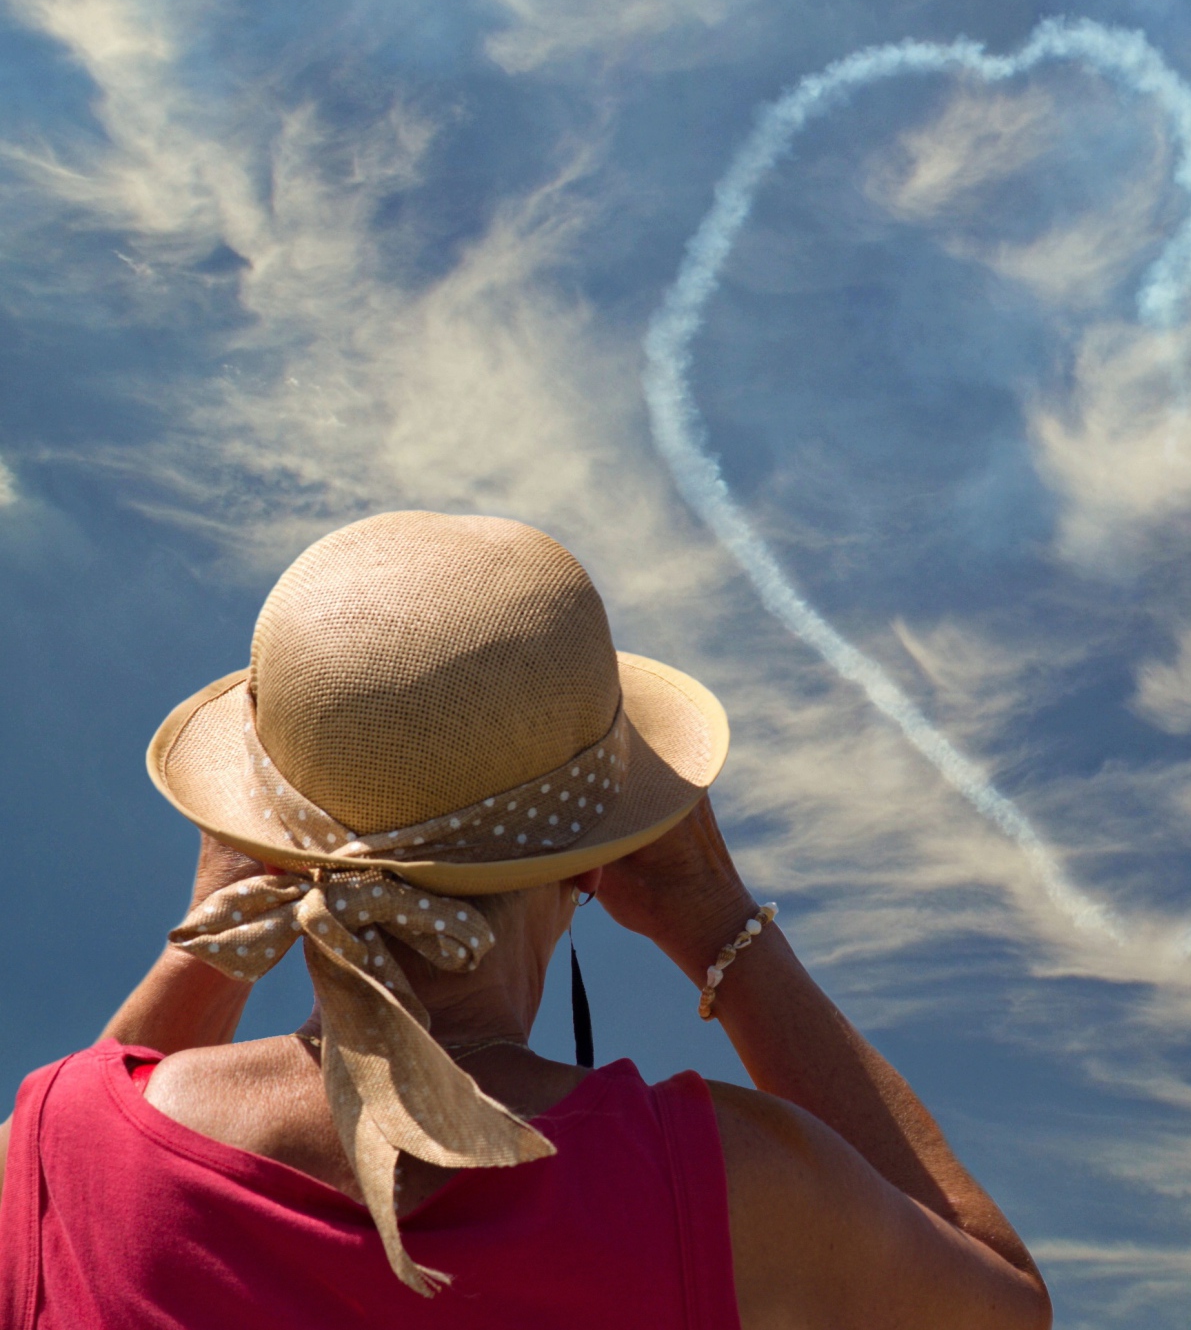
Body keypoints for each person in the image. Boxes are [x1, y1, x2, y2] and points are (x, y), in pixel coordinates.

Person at [0, 511, 1052, 1330]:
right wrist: (719, 919)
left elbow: (69, 1186)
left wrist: (214, 930)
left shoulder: (62, 1147)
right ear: (597, 863)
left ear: (264, 849)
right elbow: (1003, 1304)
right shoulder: (731, 1189)